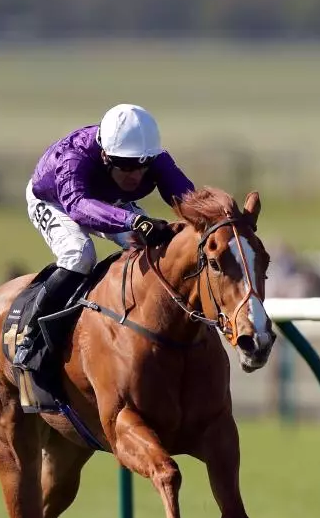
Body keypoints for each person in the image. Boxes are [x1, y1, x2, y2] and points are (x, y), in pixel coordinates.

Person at [12, 103, 196, 371]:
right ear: (106, 156)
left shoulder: (155, 158)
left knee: (156, 247)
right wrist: (134, 220)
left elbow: (188, 200)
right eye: (125, 165)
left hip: (107, 200)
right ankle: (30, 335)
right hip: (55, 201)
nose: (134, 175)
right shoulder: (74, 156)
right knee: (79, 255)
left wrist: (217, 218)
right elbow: (77, 205)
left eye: (142, 165)